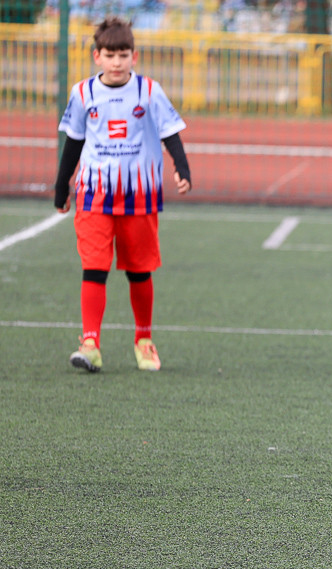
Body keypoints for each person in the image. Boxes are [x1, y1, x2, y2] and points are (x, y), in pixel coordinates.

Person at [55, 16, 192, 373]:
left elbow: (170, 132)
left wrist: (181, 166)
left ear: (134, 56)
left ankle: (144, 340)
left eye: (124, 55)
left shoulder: (149, 91)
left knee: (139, 271)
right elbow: (73, 141)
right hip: (93, 195)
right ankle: (90, 343)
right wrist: (61, 184)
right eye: (110, 55)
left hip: (140, 197)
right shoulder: (82, 93)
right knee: (94, 268)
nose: (117, 62)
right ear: (96, 57)